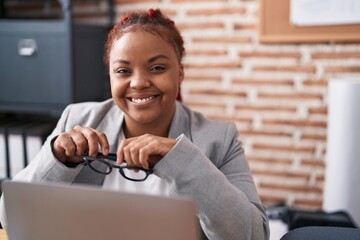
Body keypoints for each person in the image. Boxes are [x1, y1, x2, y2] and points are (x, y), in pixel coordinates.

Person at [0, 9, 269, 240]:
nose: (138, 82)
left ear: (180, 73)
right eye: (123, 71)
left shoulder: (219, 139)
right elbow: (10, 219)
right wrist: (57, 159)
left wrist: (183, 160)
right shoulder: (78, 120)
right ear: (109, 77)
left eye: (157, 68)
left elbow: (253, 235)